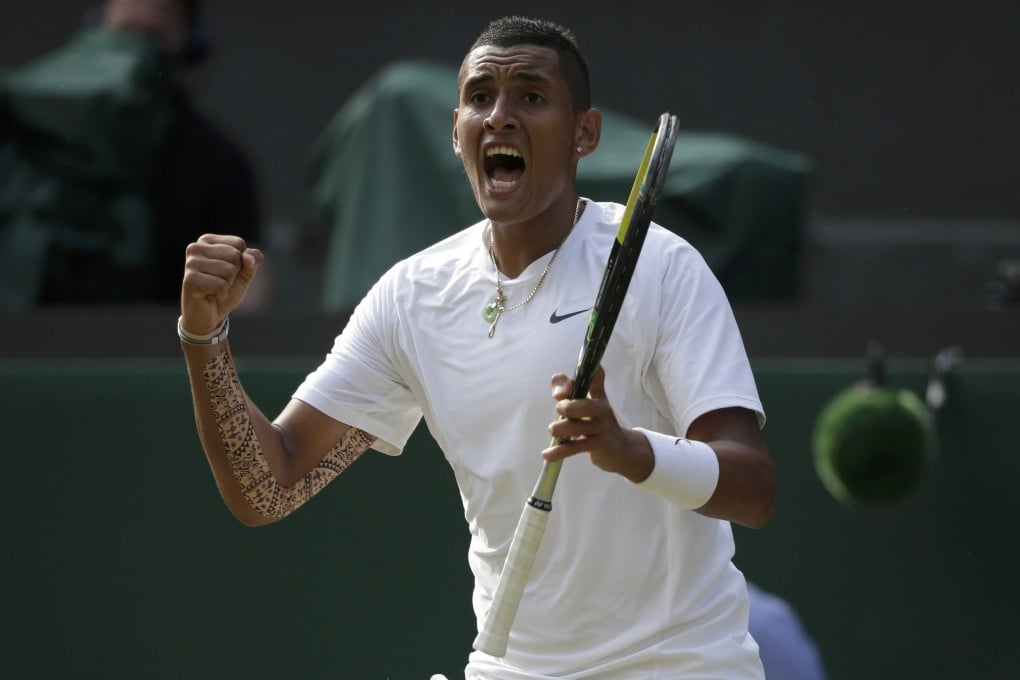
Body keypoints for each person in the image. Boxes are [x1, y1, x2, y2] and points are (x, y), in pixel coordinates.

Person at [179, 15, 776, 679]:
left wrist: (630, 451)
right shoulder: (412, 298)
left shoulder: (662, 266)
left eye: (530, 96)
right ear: (456, 130)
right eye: (481, 97)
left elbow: (753, 490)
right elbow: (269, 487)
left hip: (680, 666)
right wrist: (205, 337)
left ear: (585, 134)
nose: (500, 116)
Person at [0, 0, 260, 307]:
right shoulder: (17, 127)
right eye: (127, 31)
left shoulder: (215, 159)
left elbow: (248, 287)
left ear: (186, 39)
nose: (136, 51)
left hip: (158, 345)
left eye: (153, 33)